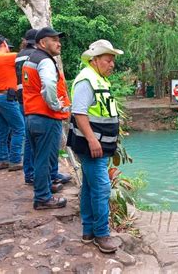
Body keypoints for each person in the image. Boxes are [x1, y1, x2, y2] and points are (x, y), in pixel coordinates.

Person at [68, 39, 123, 253]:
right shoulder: (87, 80)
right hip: (92, 145)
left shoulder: (99, 79)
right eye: (108, 60)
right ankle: (102, 234)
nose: (112, 65)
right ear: (95, 60)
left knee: (90, 187)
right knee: (101, 188)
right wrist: (92, 140)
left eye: (112, 61)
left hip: (99, 145)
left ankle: (88, 231)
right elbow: (79, 112)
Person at [22, 27, 70, 210]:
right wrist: (54, 105)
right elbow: (49, 83)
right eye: (54, 40)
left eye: (59, 39)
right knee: (44, 158)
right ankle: (42, 198)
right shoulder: (45, 61)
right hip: (46, 116)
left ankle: (45, 188)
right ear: (43, 43)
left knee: (38, 156)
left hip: (32, 115)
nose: (59, 43)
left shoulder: (31, 58)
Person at [0, 34, 25, 171]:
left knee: (2, 129)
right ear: (4, 43)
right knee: (19, 128)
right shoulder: (7, 57)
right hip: (5, 97)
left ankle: (2, 159)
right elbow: (25, 56)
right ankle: (15, 160)